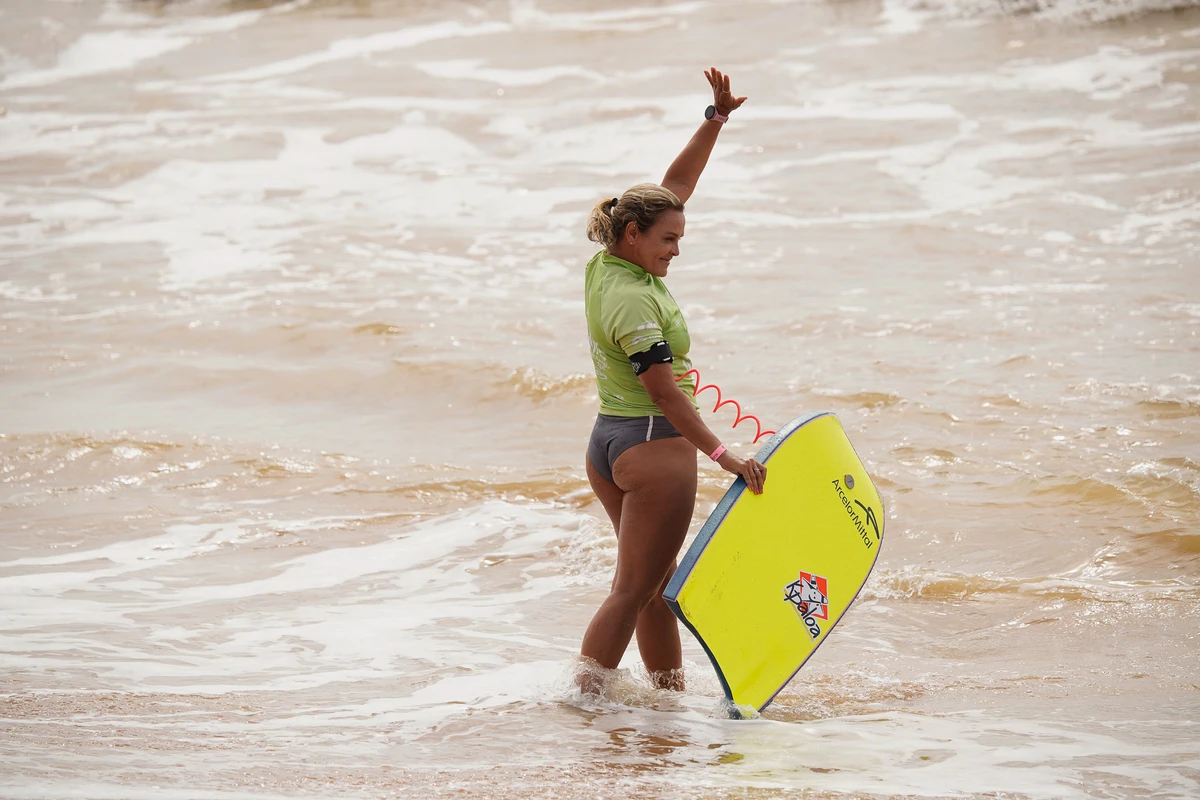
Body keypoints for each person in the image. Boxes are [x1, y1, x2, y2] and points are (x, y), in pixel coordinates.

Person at [578, 67, 767, 694]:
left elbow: (675, 188)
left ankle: (665, 700)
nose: (676, 252)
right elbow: (665, 390)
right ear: (634, 234)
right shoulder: (634, 304)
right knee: (634, 590)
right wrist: (724, 456)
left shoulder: (609, 260)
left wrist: (714, 121)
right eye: (667, 241)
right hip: (655, 447)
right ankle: (583, 700)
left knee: (653, 589)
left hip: (611, 440)